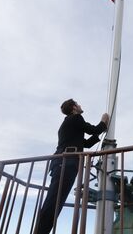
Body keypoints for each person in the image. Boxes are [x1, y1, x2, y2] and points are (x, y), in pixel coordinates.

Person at [35, 99, 109, 234]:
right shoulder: (75, 118)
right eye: (78, 103)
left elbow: (85, 144)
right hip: (66, 162)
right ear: (74, 107)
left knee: (55, 201)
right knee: (54, 201)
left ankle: (41, 230)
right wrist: (104, 122)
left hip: (64, 163)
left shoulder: (71, 123)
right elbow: (92, 129)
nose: (80, 105)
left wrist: (99, 131)